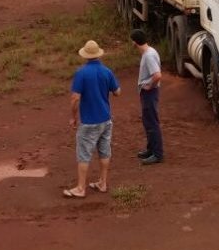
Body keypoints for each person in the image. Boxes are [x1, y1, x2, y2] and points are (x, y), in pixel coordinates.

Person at [64, 40, 121, 198]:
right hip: (106, 119)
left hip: (89, 121)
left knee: (84, 154)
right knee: (104, 151)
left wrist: (73, 117)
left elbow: (75, 98)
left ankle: (81, 188)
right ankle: (103, 182)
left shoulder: (81, 73)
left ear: (85, 56)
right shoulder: (106, 71)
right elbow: (117, 92)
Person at [130, 29, 164, 165]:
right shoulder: (150, 51)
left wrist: (149, 86)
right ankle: (151, 150)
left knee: (151, 122)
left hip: (149, 93)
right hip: (148, 93)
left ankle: (157, 154)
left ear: (134, 42)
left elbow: (157, 75)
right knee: (148, 121)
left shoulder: (148, 56)